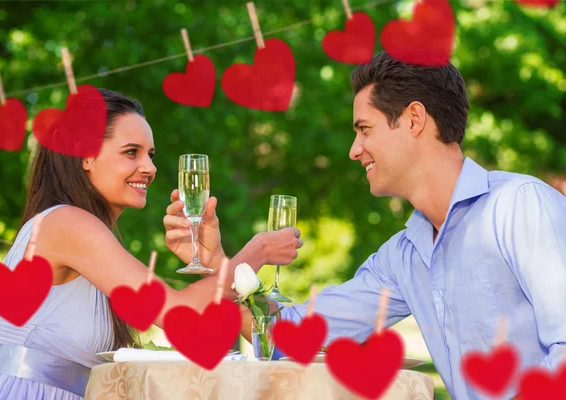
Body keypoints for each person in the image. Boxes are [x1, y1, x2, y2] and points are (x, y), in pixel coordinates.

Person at [165, 52, 566, 400]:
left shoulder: (518, 207)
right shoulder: (403, 256)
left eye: (364, 129)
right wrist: (221, 265)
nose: (354, 150)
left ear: (413, 120)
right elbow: (287, 335)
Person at [0, 89, 303, 400]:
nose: (150, 167)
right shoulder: (66, 222)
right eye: (132, 153)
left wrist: (216, 261)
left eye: (150, 154)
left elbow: (269, 339)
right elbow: (178, 314)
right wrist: (255, 254)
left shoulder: (82, 231)